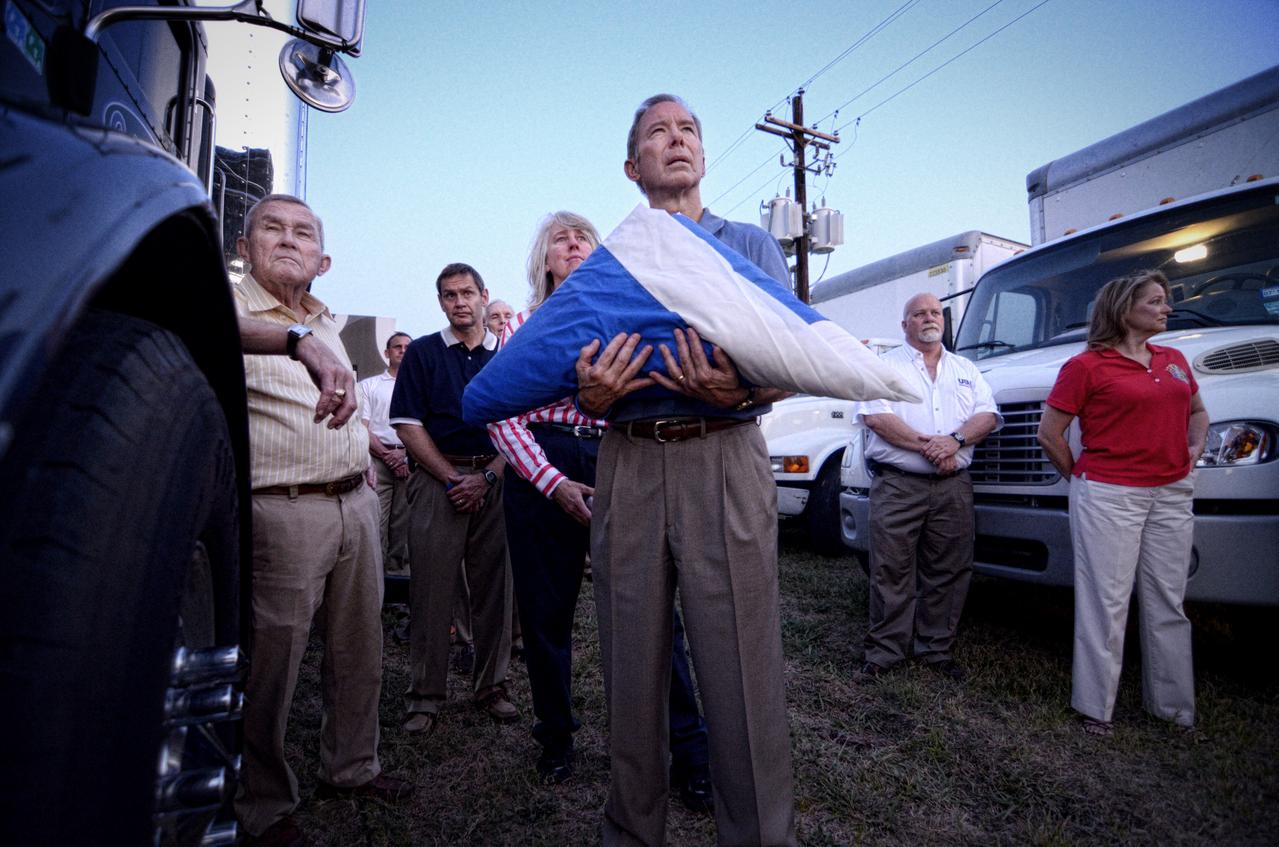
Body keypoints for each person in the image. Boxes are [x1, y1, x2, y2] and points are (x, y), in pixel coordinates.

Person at [575, 93, 796, 846]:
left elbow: (792, 359)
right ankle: (631, 831)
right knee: (630, 667)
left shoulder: (751, 245)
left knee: (741, 665)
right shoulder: (608, 263)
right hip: (628, 464)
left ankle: (760, 833)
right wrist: (591, 396)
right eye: (657, 133)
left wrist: (739, 388)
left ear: (702, 154)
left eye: (689, 129)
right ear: (632, 166)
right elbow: (577, 376)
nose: (677, 140)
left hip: (723, 456)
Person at [487, 211, 713, 810]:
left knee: (656, 614)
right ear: (545, 261)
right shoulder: (523, 325)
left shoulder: (627, 320)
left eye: (585, 236)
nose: (575, 244)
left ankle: (690, 754)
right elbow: (502, 414)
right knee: (545, 616)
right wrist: (553, 483)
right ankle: (555, 740)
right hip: (543, 467)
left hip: (621, 458)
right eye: (562, 240)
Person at [231, 194, 411, 847]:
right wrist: (296, 339)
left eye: (302, 233)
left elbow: (352, 407)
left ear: (323, 259)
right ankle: (262, 802)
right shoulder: (235, 307)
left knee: (358, 644)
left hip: (354, 500)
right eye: (270, 229)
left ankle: (352, 766)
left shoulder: (333, 322)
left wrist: (370, 450)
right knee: (272, 660)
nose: (286, 239)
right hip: (282, 507)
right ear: (245, 247)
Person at [1037, 269, 1207, 736]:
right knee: (1106, 601)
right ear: (1123, 309)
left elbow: (1197, 411)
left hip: (1171, 492)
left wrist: (1192, 453)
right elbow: (1049, 434)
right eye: (1155, 301)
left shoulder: (1173, 360)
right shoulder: (1086, 366)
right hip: (1110, 494)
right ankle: (1096, 709)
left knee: (1168, 601)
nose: (1165, 309)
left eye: (1164, 301)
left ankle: (1174, 709)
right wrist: (1085, 480)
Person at [390, 262, 517, 733]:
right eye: (449, 295)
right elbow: (407, 423)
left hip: (496, 477)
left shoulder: (507, 354)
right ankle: (425, 695)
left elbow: (520, 423)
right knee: (431, 591)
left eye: (467, 293)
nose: (459, 302)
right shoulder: (422, 354)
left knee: (494, 590)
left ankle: (491, 686)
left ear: (485, 296)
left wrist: (486, 476)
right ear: (440, 302)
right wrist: (450, 478)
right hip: (436, 478)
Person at [856, 293, 1000, 682]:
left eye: (935, 312)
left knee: (949, 570)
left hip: (953, 487)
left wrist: (954, 441)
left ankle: (935, 649)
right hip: (899, 486)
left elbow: (987, 415)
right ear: (905, 325)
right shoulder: (883, 367)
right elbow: (877, 419)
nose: (928, 318)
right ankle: (885, 652)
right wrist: (935, 447)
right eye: (918, 314)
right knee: (891, 568)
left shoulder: (965, 369)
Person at [358, 332, 412, 576]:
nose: (403, 350)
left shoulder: (421, 386)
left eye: (407, 347)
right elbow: (362, 426)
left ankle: (398, 577)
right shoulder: (369, 386)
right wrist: (387, 455)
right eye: (397, 347)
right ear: (387, 353)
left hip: (412, 460)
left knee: (404, 524)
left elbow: (426, 425)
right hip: (378, 461)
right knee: (376, 521)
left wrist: (405, 455)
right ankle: (376, 581)